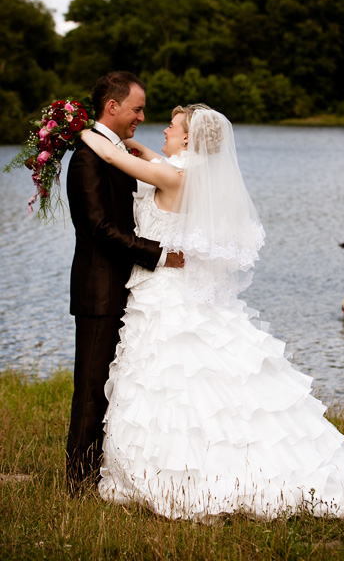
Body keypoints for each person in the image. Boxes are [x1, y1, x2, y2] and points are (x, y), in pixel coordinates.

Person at [77, 105, 344, 521]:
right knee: (187, 379)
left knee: (172, 378)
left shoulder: (173, 176)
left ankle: (184, 472)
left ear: (188, 138)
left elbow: (111, 158)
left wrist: (80, 130)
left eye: (171, 127)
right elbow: (160, 162)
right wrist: (141, 147)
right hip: (166, 288)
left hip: (166, 294)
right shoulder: (189, 175)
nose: (163, 131)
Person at [65, 71, 184, 493]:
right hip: (100, 290)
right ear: (111, 107)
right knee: (92, 389)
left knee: (115, 388)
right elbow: (97, 227)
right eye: (136, 108)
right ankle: (76, 482)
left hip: (128, 288)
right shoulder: (86, 157)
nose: (142, 116)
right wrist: (157, 254)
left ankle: (103, 469)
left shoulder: (115, 150)